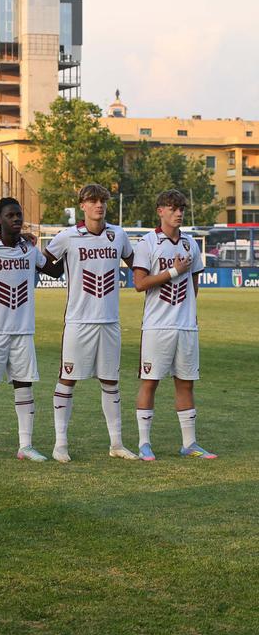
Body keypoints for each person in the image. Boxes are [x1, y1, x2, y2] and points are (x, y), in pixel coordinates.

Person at [43, 184, 138, 462]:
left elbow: (137, 265)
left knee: (111, 381)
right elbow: (46, 262)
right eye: (93, 201)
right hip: (78, 321)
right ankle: (60, 444)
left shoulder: (117, 235)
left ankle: (117, 444)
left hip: (109, 321)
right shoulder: (67, 237)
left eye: (103, 201)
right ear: (82, 205)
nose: (99, 205)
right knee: (68, 379)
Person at [0, 198, 56, 463]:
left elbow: (53, 269)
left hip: (23, 331)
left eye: (19, 215)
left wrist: (65, 244)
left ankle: (25, 446)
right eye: (10, 215)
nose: (16, 219)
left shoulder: (29, 250)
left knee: (24, 386)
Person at [131, 190, 215, 460]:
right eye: (173, 207)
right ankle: (144, 444)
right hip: (157, 327)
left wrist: (189, 313)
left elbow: (194, 285)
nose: (178, 212)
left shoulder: (191, 244)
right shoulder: (147, 243)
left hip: (186, 327)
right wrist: (173, 271)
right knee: (150, 382)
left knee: (186, 384)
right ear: (160, 211)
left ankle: (189, 444)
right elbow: (140, 284)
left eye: (181, 208)